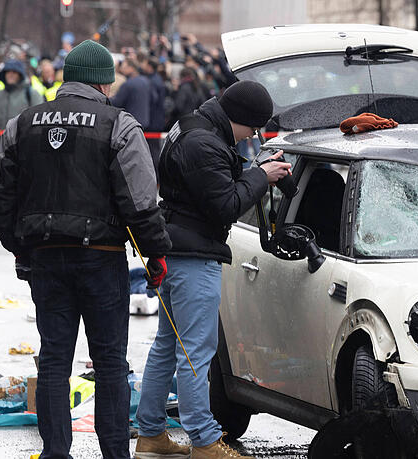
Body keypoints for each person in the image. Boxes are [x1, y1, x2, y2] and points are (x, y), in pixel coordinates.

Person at [0, 39, 172, 459]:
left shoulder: (22, 123)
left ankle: (56, 453)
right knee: (109, 364)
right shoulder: (118, 125)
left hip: (46, 259)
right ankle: (114, 454)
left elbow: (0, 204)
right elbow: (141, 203)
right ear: (104, 84)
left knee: (54, 359)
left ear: (66, 79)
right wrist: (156, 253)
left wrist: (24, 250)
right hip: (102, 259)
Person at [135, 81, 291, 459]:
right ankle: (205, 441)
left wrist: (251, 170)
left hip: (176, 250)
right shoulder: (203, 143)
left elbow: (207, 185)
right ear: (238, 118)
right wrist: (260, 176)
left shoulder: (193, 127)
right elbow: (225, 205)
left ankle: (151, 434)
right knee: (195, 352)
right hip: (194, 256)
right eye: (252, 128)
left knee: (167, 346)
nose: (251, 136)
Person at [0, 59, 44, 145]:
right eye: (8, 72)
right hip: (1, 149)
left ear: (20, 74)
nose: (10, 75)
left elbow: (39, 123)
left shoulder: (31, 94)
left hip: (25, 149)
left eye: (14, 72)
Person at [111, 58, 152, 128]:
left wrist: (108, 98)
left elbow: (117, 102)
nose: (121, 69)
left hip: (131, 122)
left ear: (131, 68)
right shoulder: (146, 81)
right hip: (144, 120)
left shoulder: (128, 84)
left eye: (124, 67)